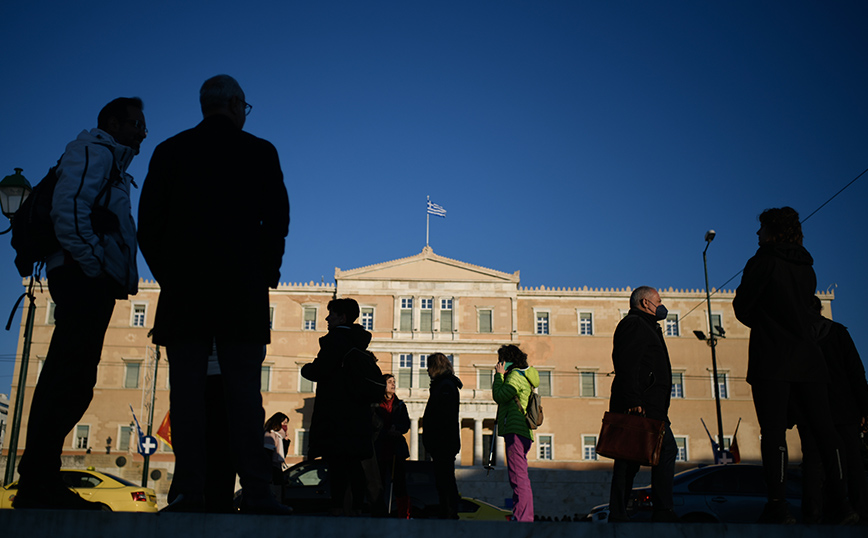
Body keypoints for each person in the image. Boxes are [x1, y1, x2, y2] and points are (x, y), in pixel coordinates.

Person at [138, 75, 290, 514]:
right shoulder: (259, 152)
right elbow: (276, 221)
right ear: (236, 105)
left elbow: (149, 224)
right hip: (240, 295)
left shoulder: (170, 151)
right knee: (244, 398)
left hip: (186, 296)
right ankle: (258, 492)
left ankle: (189, 489)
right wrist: (264, 274)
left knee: (186, 397)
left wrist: (172, 277)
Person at [13, 98, 147, 510]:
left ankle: (40, 477)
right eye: (136, 124)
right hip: (81, 277)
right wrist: (92, 265)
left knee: (71, 377)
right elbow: (69, 209)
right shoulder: (94, 151)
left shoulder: (111, 162)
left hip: (87, 277)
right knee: (68, 377)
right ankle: (38, 480)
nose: (143, 132)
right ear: (112, 122)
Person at [733, 207, 857, 525]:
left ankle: (778, 505)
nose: (757, 235)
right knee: (824, 432)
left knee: (774, 433)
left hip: (773, 357)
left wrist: (765, 320)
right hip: (809, 360)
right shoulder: (807, 267)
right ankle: (843, 504)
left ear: (772, 231)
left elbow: (743, 308)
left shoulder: (762, 261)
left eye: (761, 229)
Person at [607, 286, 678, 523]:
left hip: (650, 404)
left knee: (629, 459)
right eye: (658, 300)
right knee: (661, 451)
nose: (661, 304)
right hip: (642, 405)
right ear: (645, 303)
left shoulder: (647, 326)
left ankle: (620, 512)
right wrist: (633, 399)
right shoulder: (635, 325)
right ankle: (661, 510)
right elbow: (627, 363)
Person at [301, 298, 375, 516]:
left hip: (336, 412)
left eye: (331, 314)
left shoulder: (336, 340)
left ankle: (337, 506)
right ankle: (359, 507)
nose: (326, 318)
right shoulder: (358, 341)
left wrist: (306, 369)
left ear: (342, 317)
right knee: (354, 463)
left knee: (337, 462)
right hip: (357, 412)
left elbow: (320, 369)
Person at [798, 298, 868, 523]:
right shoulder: (838, 333)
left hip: (812, 411)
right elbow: (856, 373)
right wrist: (865, 408)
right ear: (820, 310)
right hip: (843, 410)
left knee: (813, 463)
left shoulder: (797, 337)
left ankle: (813, 512)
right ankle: (857, 510)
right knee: (852, 461)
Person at [492, 344, 539, 522]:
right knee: (520, 476)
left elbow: (500, 395)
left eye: (500, 360)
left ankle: (523, 518)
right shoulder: (525, 376)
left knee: (518, 477)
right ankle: (522, 515)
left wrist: (498, 376)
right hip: (522, 432)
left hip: (515, 430)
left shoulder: (514, 376)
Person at [422, 352, 462, 519]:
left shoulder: (445, 386)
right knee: (444, 478)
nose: (427, 371)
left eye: (429, 367)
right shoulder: (445, 385)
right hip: (444, 440)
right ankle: (447, 510)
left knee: (444, 479)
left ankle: (449, 511)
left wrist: (434, 437)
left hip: (443, 440)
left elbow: (443, 416)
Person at [373, 373, 411, 518]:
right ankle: (379, 513)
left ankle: (404, 515)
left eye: (394, 382)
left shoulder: (400, 405)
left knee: (400, 485)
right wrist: (385, 431)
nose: (393, 384)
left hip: (396, 450)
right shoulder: (375, 404)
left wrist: (397, 429)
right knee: (378, 484)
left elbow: (406, 425)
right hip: (380, 449)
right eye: (390, 382)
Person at [264, 412, 291, 500]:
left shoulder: (280, 437)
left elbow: (282, 455)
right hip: (272, 469)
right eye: (284, 423)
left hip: (277, 468)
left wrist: (286, 442)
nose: (285, 426)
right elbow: (268, 454)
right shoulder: (270, 434)